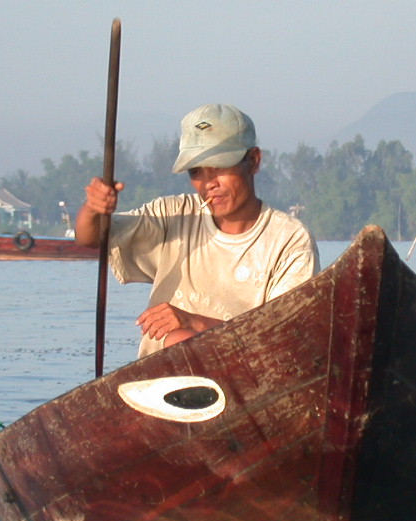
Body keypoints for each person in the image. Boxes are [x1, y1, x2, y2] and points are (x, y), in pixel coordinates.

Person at [75, 103, 319, 357]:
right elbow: (90, 238)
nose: (208, 184)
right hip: (160, 378)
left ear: (254, 161)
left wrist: (197, 323)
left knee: (181, 339)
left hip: (242, 375)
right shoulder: (173, 216)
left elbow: (286, 339)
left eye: (220, 167)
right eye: (196, 172)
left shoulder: (289, 240)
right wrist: (94, 209)